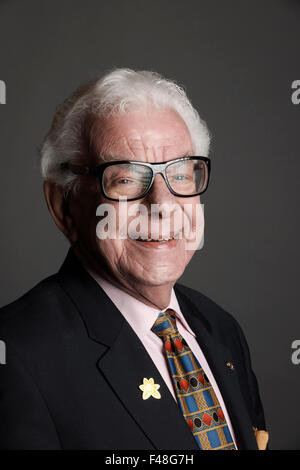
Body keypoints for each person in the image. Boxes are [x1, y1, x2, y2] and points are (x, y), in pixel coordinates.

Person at [0, 68, 268, 450]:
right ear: (64, 206)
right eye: (125, 179)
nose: (162, 205)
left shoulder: (220, 330)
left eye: (180, 174)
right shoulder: (17, 358)